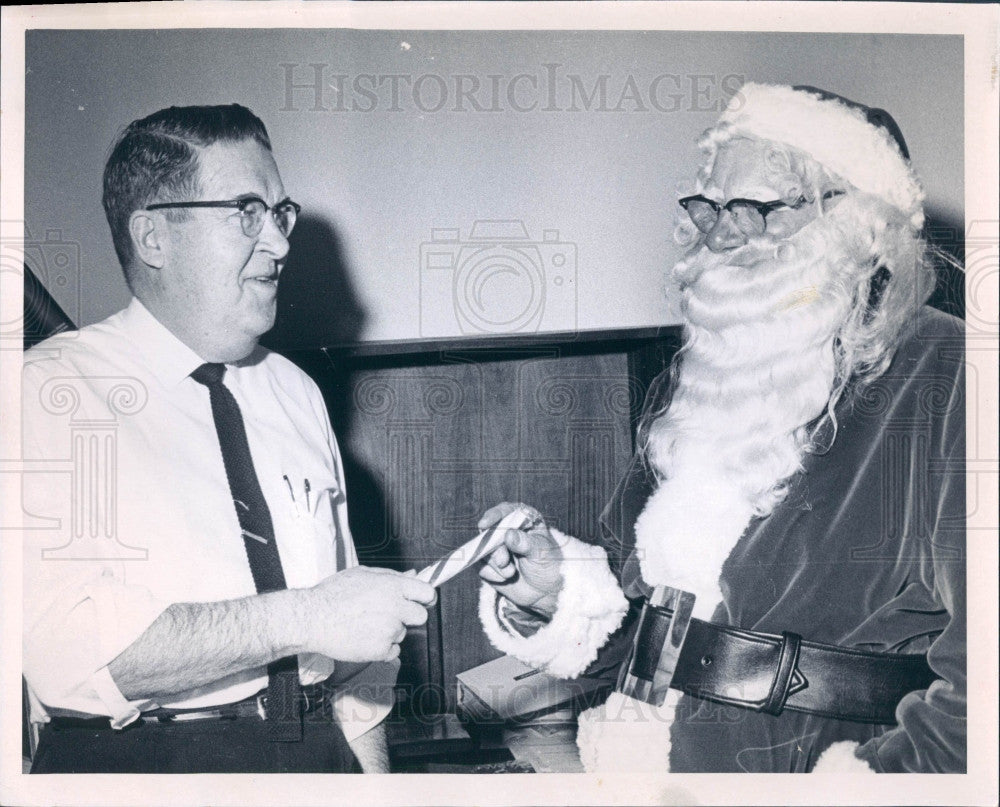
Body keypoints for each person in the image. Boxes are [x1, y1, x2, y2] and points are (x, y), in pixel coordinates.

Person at [477, 83, 965, 773]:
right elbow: (639, 615)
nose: (720, 235)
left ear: (860, 223)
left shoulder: (943, 370)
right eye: (709, 206)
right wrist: (556, 588)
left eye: (757, 209)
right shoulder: (703, 375)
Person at [21, 104, 436, 773]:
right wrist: (304, 616)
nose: (279, 243)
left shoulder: (296, 392)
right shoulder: (49, 389)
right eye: (247, 211)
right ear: (154, 236)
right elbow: (66, 653)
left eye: (280, 213)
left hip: (316, 753)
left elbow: (355, 662)